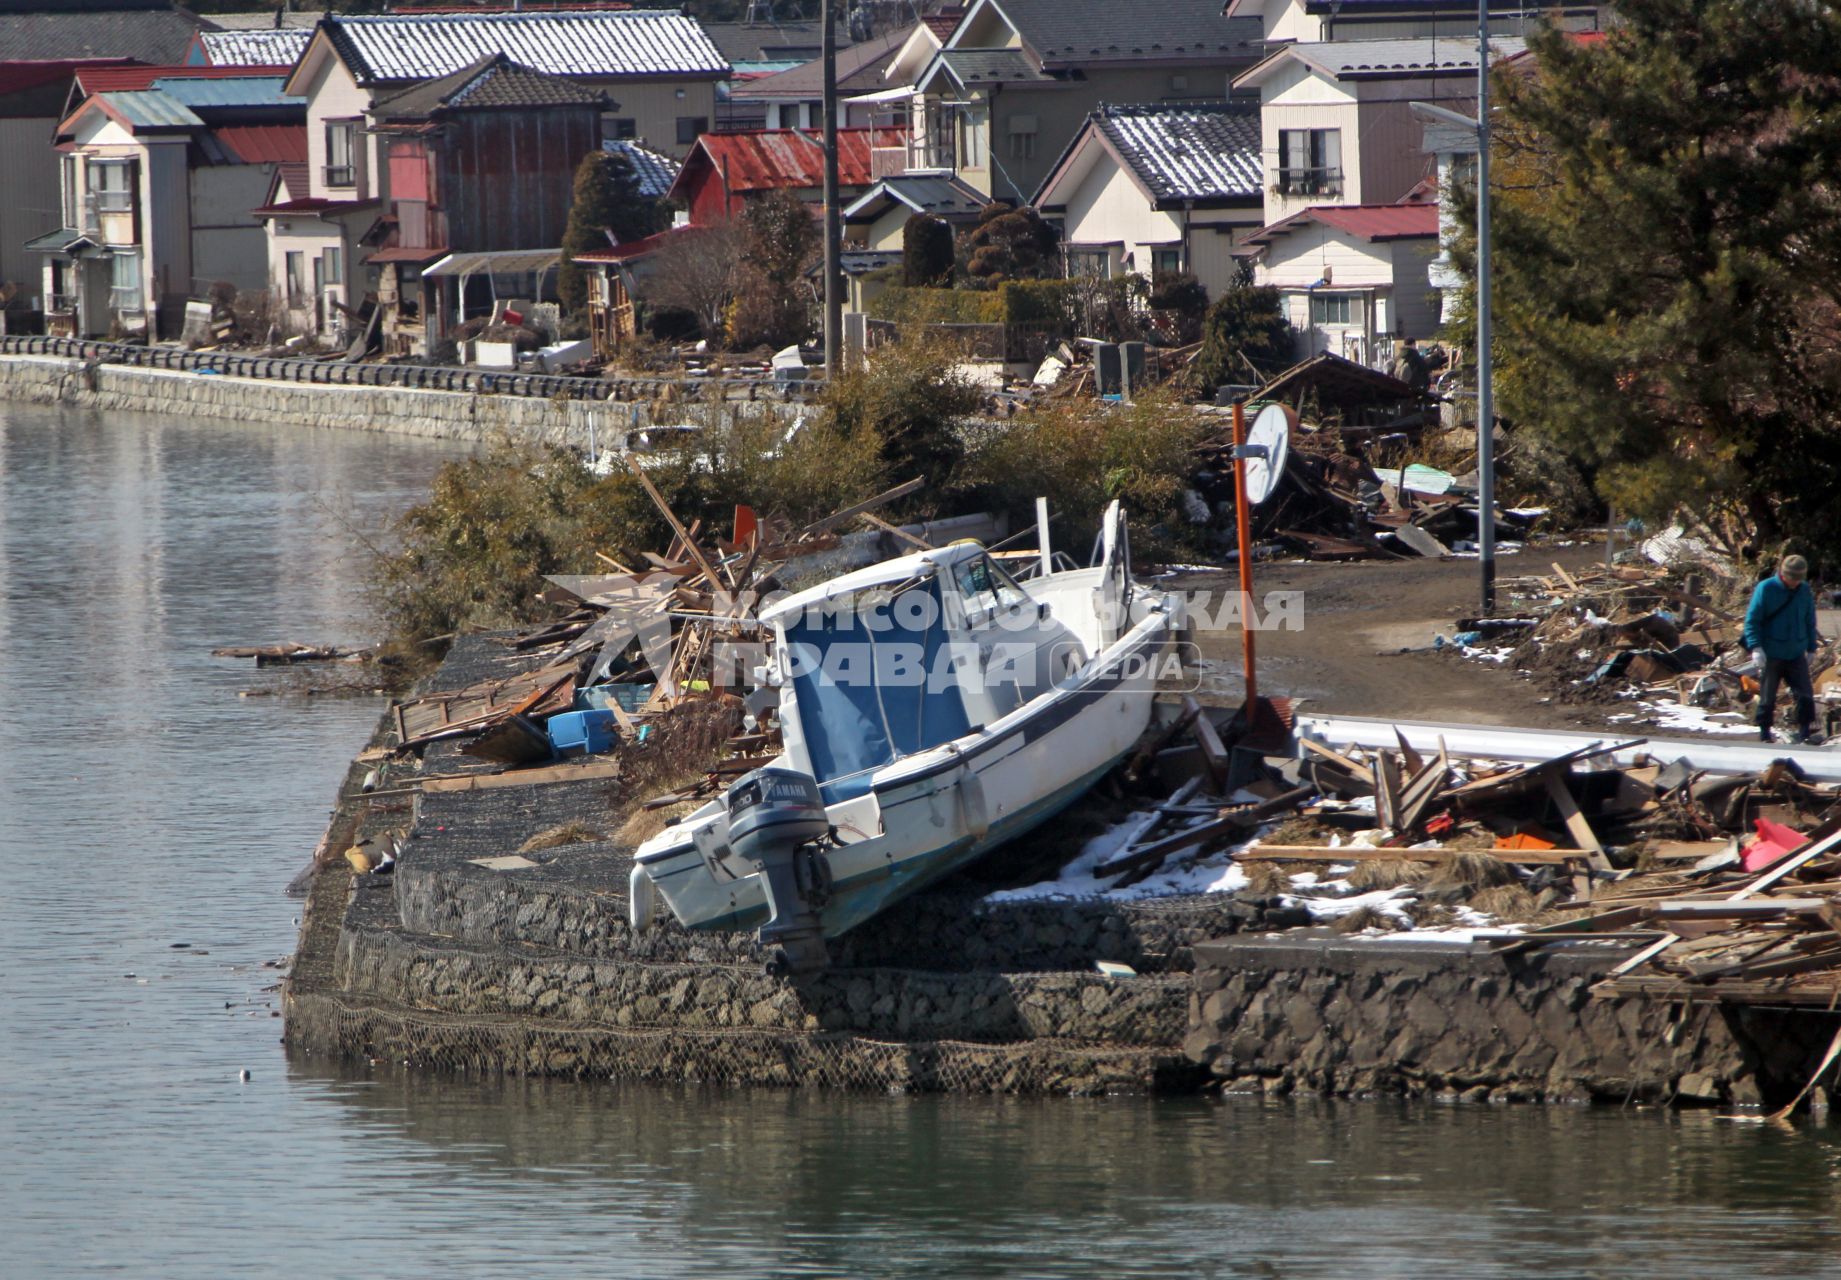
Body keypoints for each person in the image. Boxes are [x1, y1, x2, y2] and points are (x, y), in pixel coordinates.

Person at [1742, 554, 1821, 743]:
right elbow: (1752, 621)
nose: (1795, 582)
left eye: (1798, 579)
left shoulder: (1804, 590)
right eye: (1792, 578)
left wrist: (1811, 647)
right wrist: (1756, 647)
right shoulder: (1766, 588)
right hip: (1771, 652)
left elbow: (1809, 621)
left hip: (1795, 652)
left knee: (1805, 695)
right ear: (1783, 574)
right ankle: (1764, 732)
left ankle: (1804, 730)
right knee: (1768, 697)